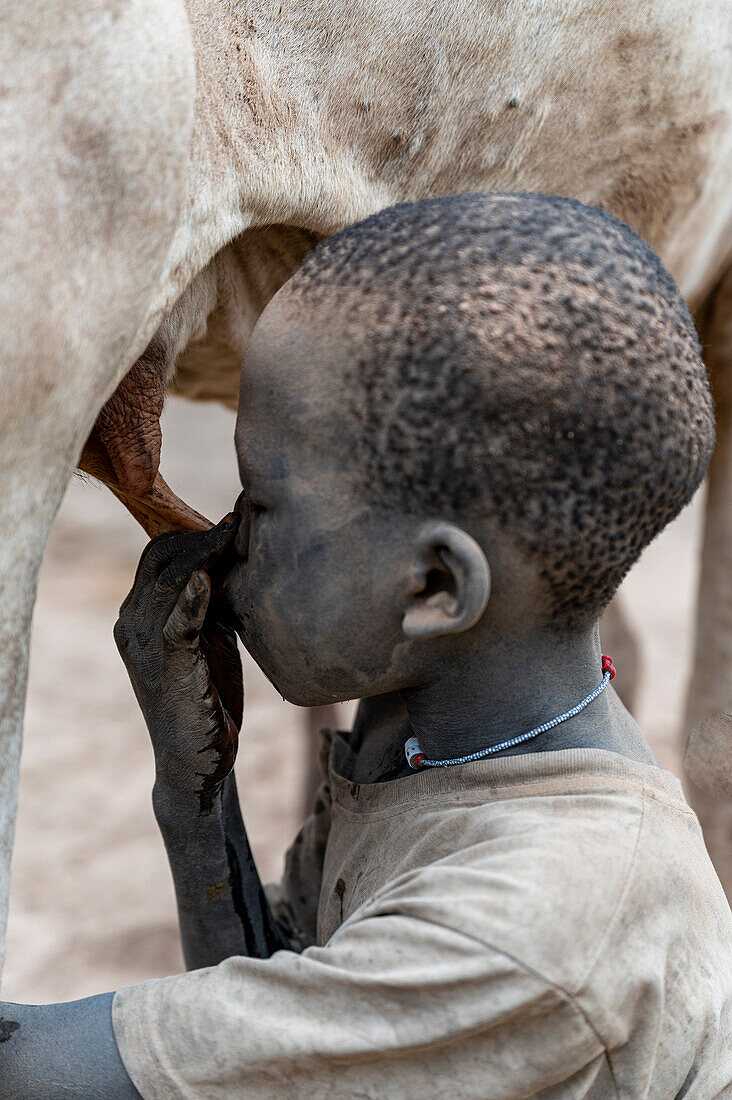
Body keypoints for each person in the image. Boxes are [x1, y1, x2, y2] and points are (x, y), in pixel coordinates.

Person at [1, 193, 730, 1098]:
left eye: (261, 504)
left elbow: (33, 1071)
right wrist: (197, 807)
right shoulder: (435, 734)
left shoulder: (551, 921)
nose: (225, 538)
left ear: (432, 587)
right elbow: (280, 1031)